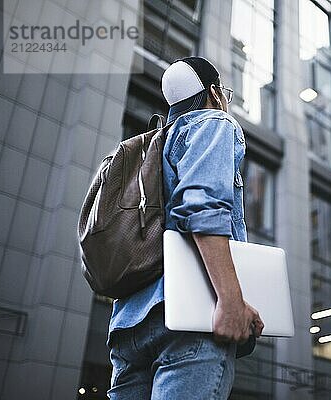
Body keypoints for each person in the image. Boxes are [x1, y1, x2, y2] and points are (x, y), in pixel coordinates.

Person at [106, 56, 264, 399]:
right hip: (189, 319)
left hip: (128, 328)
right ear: (215, 92)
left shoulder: (153, 146)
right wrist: (231, 300)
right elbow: (203, 208)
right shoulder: (214, 123)